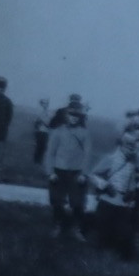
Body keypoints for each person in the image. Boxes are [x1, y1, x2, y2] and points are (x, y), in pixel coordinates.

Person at [45, 96, 91, 239]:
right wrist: (50, 172)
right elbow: (50, 153)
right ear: (66, 115)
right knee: (57, 201)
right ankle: (58, 225)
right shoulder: (58, 132)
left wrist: (84, 173)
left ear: (81, 117)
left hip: (76, 172)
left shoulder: (85, 133)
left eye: (77, 116)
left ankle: (77, 229)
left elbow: (87, 154)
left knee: (78, 202)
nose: (74, 118)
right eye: (71, 115)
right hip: (59, 171)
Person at [89, 134, 139, 258]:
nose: (131, 150)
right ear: (122, 146)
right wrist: (104, 185)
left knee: (123, 230)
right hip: (107, 199)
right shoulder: (111, 159)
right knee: (103, 229)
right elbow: (93, 175)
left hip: (122, 202)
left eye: (133, 147)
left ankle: (123, 255)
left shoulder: (133, 162)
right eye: (128, 146)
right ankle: (98, 254)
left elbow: (132, 180)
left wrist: (131, 192)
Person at [33, 98, 51, 166]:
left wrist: (44, 122)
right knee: (38, 146)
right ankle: (36, 160)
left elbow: (49, 123)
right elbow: (36, 122)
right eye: (44, 103)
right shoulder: (39, 112)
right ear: (42, 104)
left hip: (46, 132)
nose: (46, 105)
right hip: (40, 131)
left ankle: (39, 160)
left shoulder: (49, 112)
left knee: (43, 147)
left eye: (46, 103)